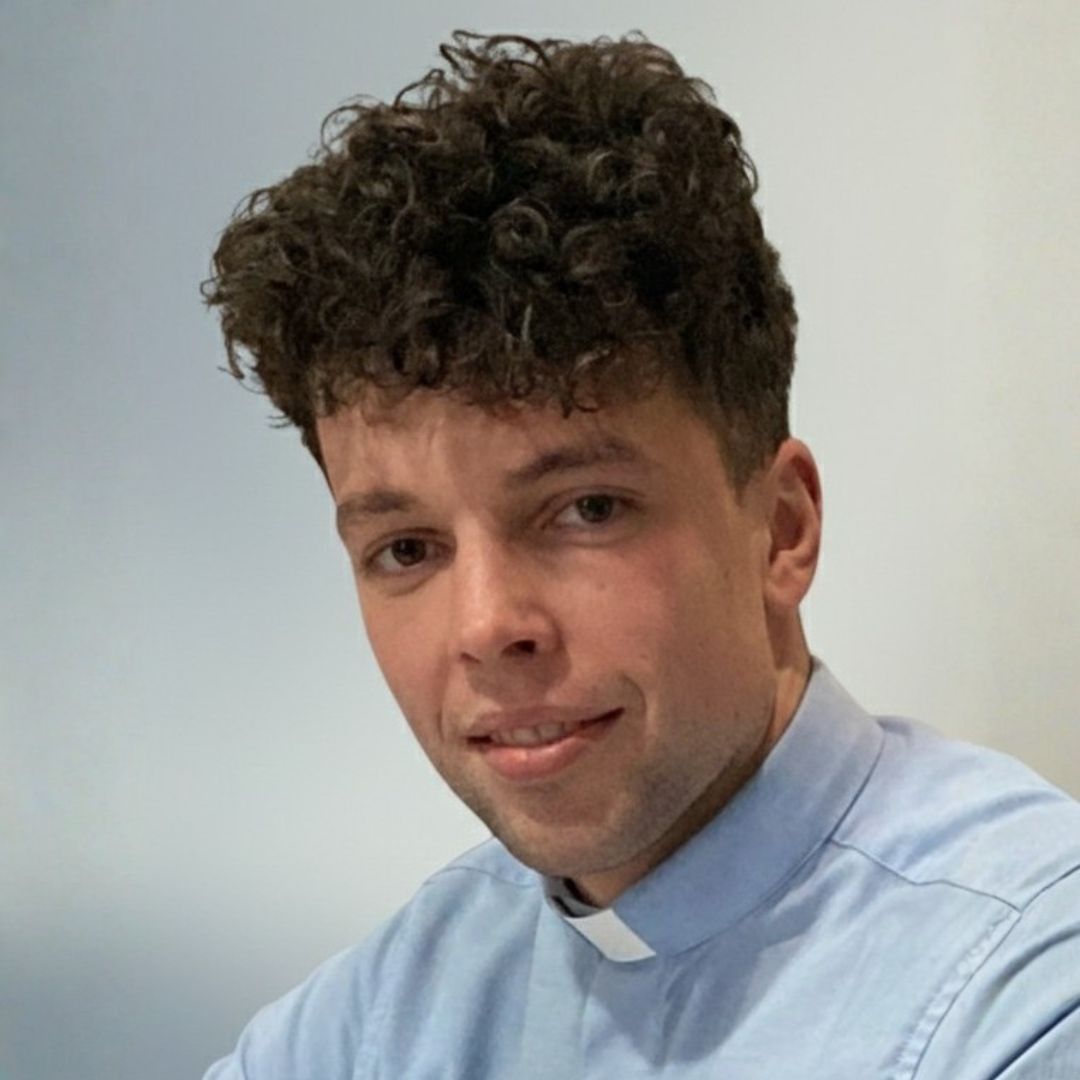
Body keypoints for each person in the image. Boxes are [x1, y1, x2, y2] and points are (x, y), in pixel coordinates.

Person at [201, 31, 1080, 1079]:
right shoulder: (381, 1017)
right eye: (406, 549)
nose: (487, 626)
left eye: (587, 509)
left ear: (783, 529)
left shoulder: (1027, 990)